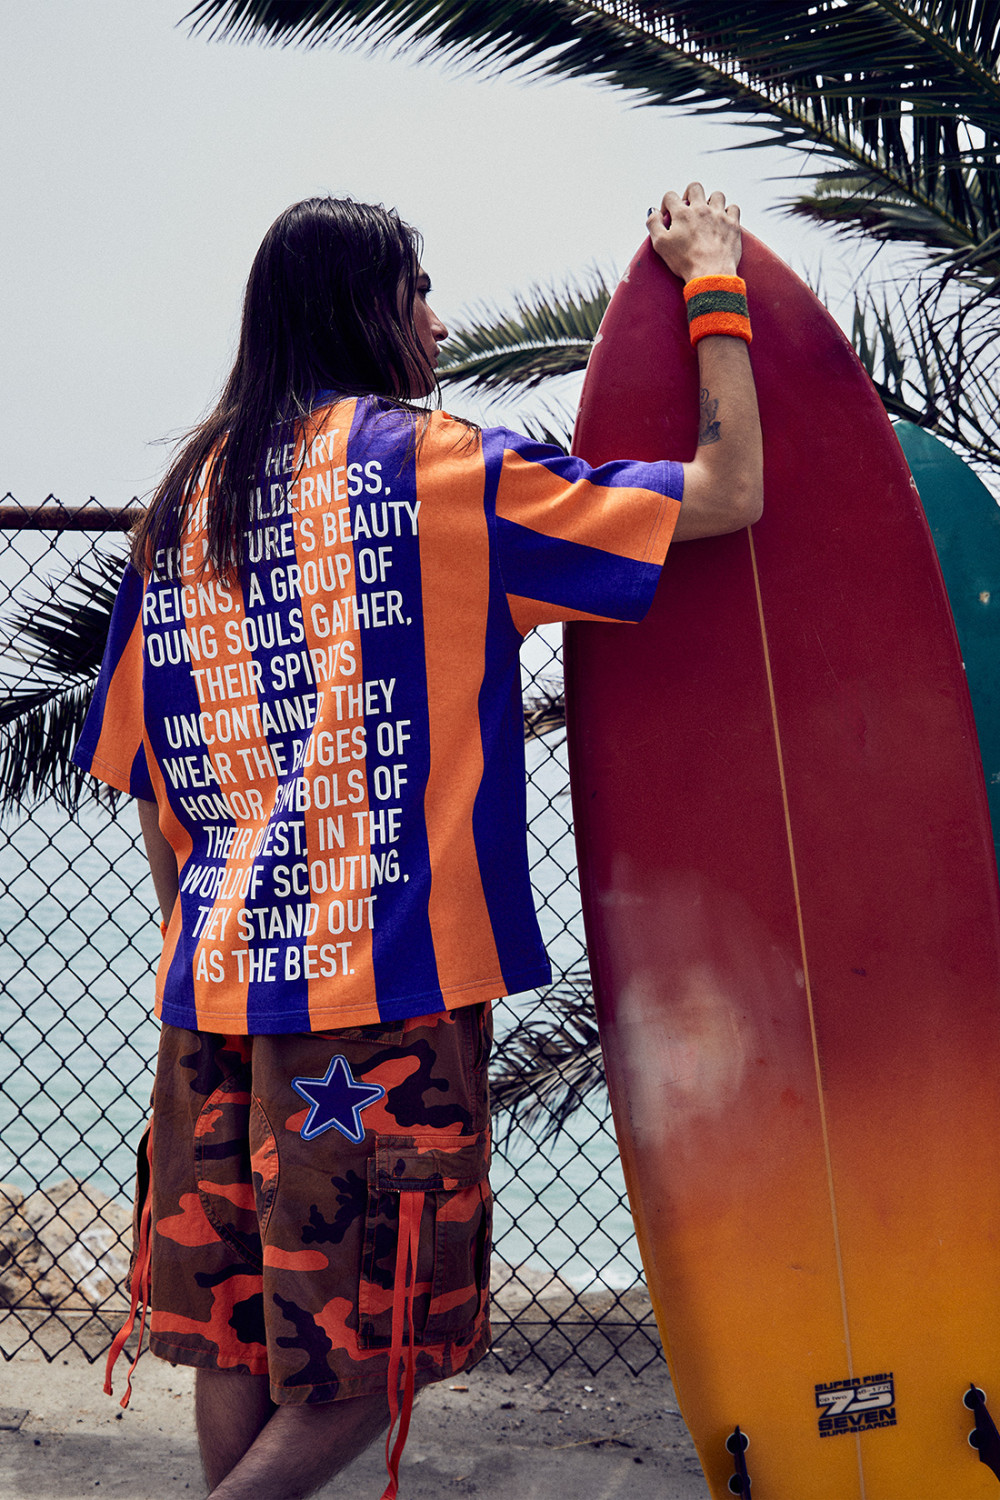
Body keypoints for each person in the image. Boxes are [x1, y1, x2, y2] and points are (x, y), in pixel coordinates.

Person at [73, 183, 762, 1500]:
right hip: (383, 999)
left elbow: (156, 791)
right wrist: (715, 286)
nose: (440, 324)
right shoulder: (443, 473)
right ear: (366, 311)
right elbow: (731, 490)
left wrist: (216, 948)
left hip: (210, 995)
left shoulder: (184, 507)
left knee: (247, 1333)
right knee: (383, 1347)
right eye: (420, 294)